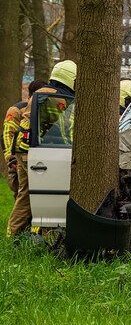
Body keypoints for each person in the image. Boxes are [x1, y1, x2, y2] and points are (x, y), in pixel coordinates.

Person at [7, 60, 77, 236]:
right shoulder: (58, 98)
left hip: (23, 149)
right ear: (71, 79)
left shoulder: (44, 93)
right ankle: (23, 234)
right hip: (31, 151)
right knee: (30, 195)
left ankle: (18, 234)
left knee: (26, 195)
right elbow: (62, 129)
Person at [3, 80, 46, 202]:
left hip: (36, 161)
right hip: (18, 162)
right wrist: (11, 160)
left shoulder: (41, 110)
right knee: (21, 198)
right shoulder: (16, 110)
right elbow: (7, 135)